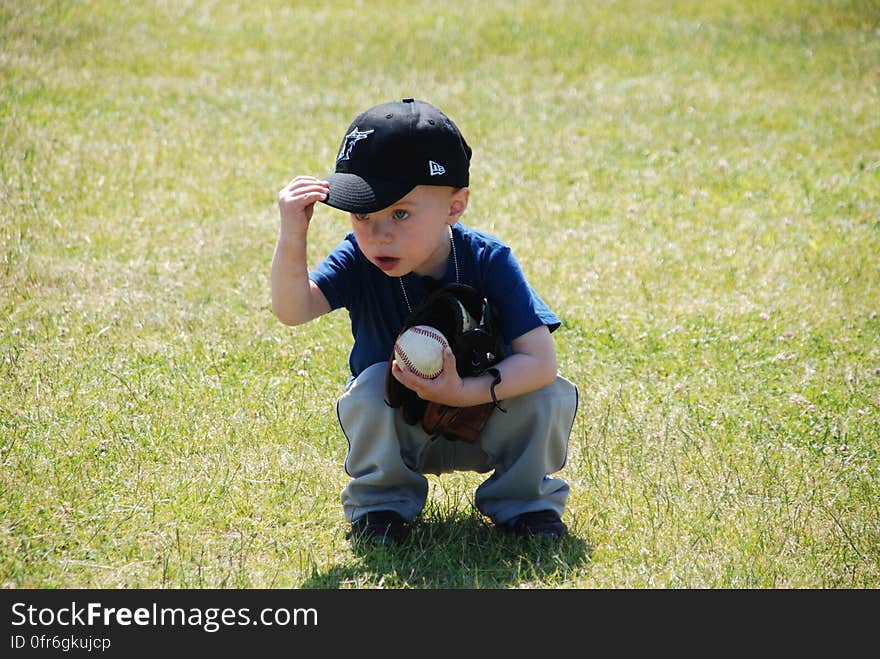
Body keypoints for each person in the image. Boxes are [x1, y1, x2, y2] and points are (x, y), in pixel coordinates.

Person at [271, 98, 578, 544]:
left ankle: (527, 506)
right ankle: (381, 508)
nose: (378, 233)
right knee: (373, 387)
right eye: (363, 214)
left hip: (488, 413)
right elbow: (293, 309)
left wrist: (463, 391)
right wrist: (292, 234)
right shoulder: (359, 259)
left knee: (547, 393)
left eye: (400, 213)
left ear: (454, 207)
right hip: (403, 425)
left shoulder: (487, 259)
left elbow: (540, 361)